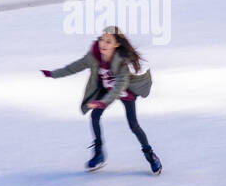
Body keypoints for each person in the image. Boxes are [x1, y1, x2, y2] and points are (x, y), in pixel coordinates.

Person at [43, 26, 161, 175]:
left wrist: (103, 102)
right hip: (105, 89)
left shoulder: (122, 61)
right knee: (94, 116)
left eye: (108, 41)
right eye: (101, 39)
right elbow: (75, 66)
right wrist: (53, 74)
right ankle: (99, 153)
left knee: (133, 125)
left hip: (124, 91)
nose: (102, 44)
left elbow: (119, 86)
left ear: (116, 44)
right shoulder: (94, 55)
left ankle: (150, 154)